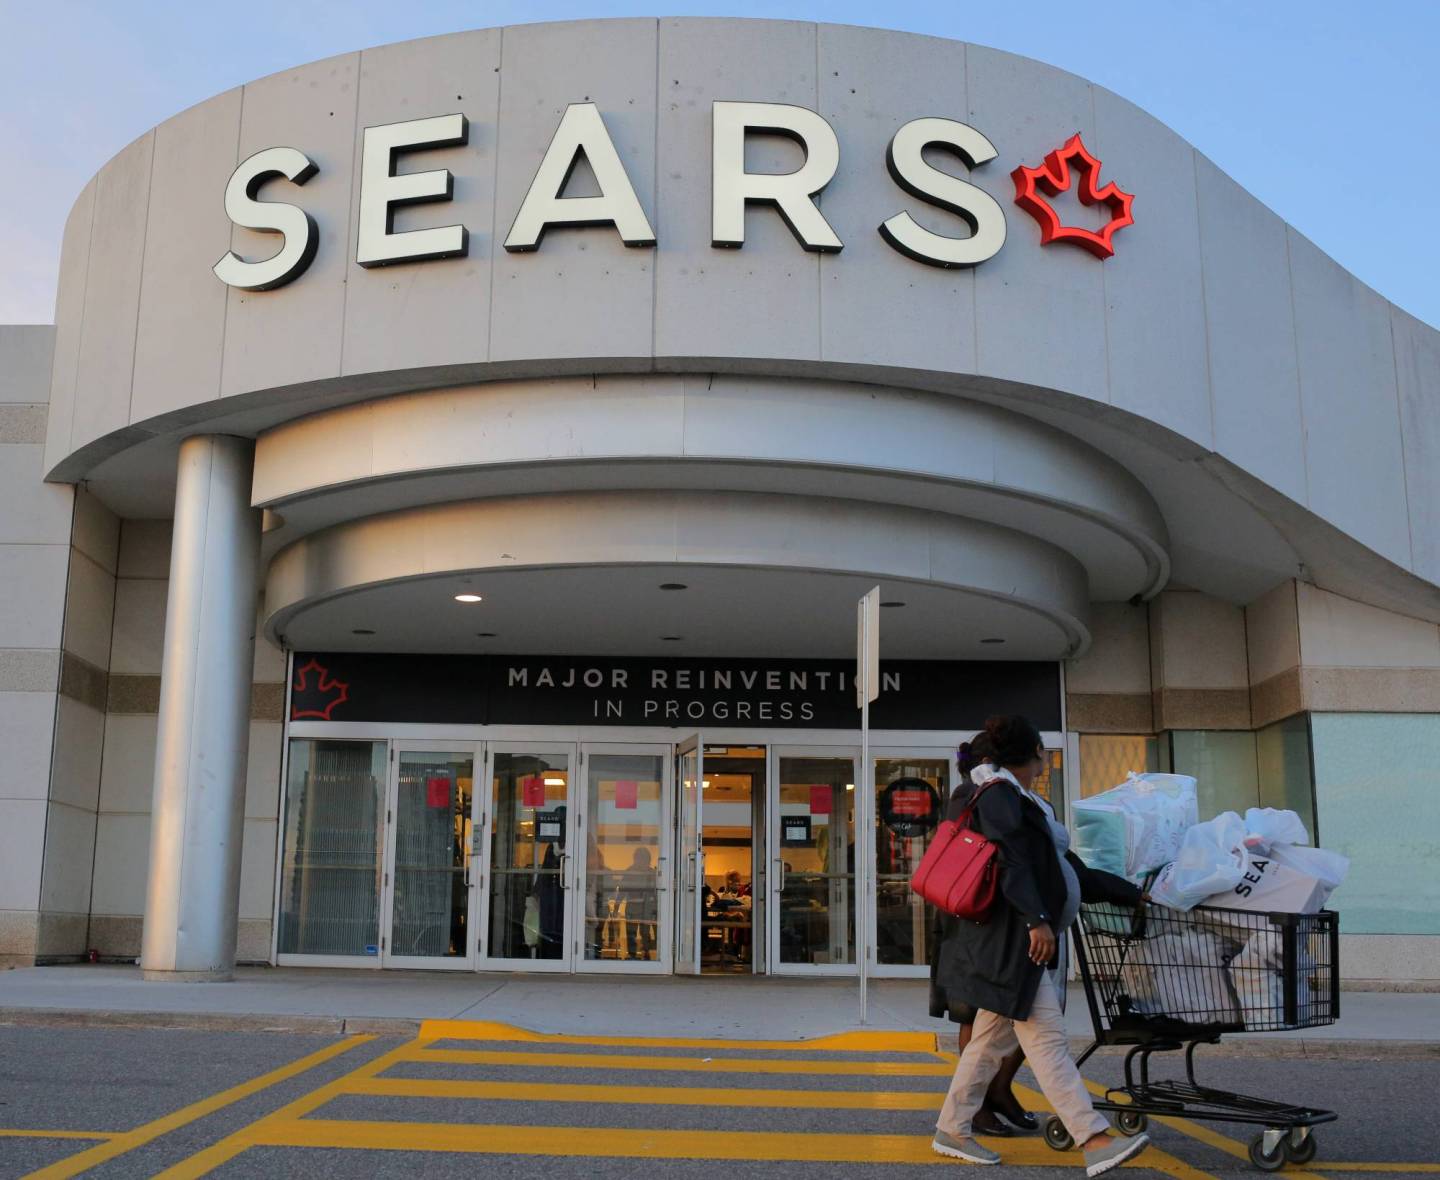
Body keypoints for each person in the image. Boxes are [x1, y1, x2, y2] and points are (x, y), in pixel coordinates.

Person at [930, 715, 1151, 1177]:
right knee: (1046, 1037)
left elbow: (1067, 870)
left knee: (989, 1042)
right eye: (1043, 751)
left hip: (1011, 939)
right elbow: (1012, 863)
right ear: (1032, 755)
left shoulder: (1019, 798)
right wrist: (1037, 922)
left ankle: (952, 1128)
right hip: (1012, 941)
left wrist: (1132, 893)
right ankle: (1093, 1137)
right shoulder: (999, 796)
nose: (1046, 758)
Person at [929, 733, 1035, 1137]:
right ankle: (979, 1104)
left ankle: (995, 1093)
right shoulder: (976, 794)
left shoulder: (998, 794)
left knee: (1008, 1014)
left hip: (989, 919)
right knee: (974, 1011)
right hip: (976, 918)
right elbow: (997, 855)